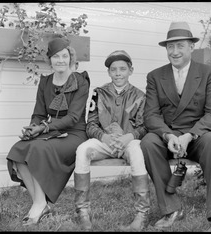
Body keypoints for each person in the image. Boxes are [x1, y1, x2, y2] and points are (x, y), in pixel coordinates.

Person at [140, 21, 211, 232]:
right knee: (147, 142)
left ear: (191, 47)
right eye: (170, 47)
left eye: (180, 45)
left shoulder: (208, 73)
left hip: (198, 136)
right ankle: (171, 209)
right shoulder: (155, 76)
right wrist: (168, 136)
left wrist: (190, 135)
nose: (175, 51)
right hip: (169, 137)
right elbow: (150, 115)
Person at [6, 37, 90, 226]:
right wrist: (32, 129)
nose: (61, 60)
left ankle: (38, 206)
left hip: (75, 134)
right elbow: (39, 114)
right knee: (18, 149)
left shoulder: (80, 81)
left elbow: (73, 118)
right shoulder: (45, 82)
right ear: (49, 59)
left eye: (64, 56)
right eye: (56, 56)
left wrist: (43, 128)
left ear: (70, 58)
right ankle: (40, 203)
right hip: (51, 132)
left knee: (37, 149)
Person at [73, 50, 150, 231]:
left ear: (131, 70)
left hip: (129, 141)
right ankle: (82, 211)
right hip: (104, 141)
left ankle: (142, 214)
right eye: (113, 69)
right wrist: (104, 137)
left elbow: (144, 127)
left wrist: (128, 137)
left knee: (137, 152)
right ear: (108, 72)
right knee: (82, 150)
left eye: (123, 69)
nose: (118, 73)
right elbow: (90, 125)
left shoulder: (140, 96)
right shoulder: (98, 93)